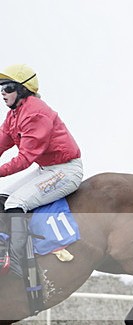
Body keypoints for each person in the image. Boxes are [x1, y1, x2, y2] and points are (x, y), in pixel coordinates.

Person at [0, 64, 82, 274]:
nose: (2, 92)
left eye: (7, 87)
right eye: (1, 87)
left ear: (23, 89)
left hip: (66, 171)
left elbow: (25, 158)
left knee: (16, 202)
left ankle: (17, 266)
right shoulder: (15, 114)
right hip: (47, 169)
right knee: (2, 197)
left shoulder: (35, 113)